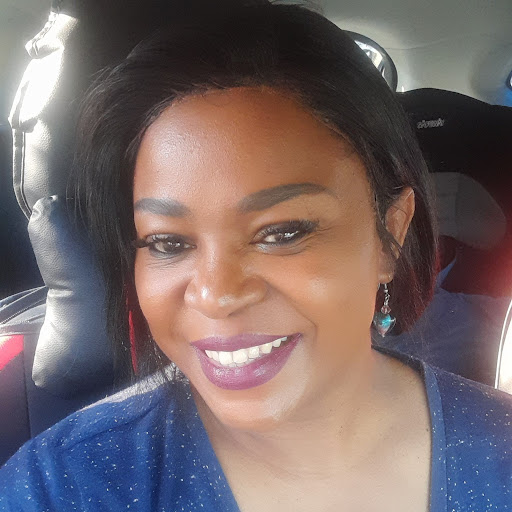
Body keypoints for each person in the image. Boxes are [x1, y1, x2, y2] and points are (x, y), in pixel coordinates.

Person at [1, 2, 511, 510]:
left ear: (389, 235)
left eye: (282, 233)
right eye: (168, 243)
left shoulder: (500, 451)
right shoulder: (62, 487)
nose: (216, 295)